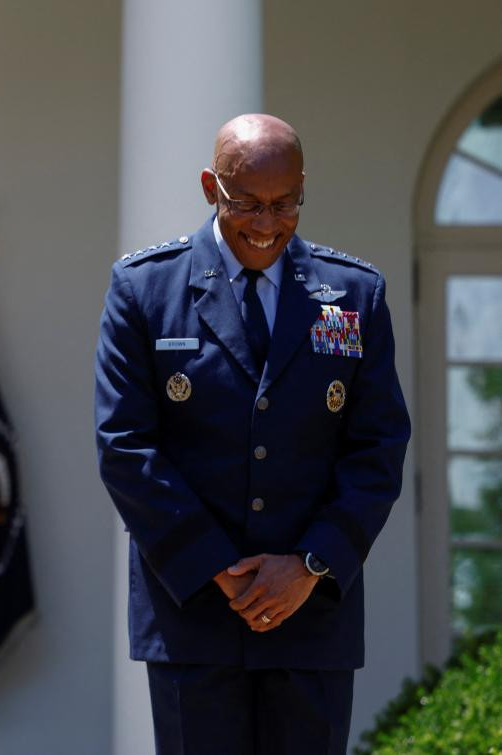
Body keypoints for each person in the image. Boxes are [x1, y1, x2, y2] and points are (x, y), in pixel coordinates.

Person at [94, 114, 410, 754]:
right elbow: (125, 445)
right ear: (211, 186)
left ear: (302, 189)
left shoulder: (353, 295)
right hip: (194, 618)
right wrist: (220, 568)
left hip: (312, 615)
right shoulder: (146, 289)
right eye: (247, 205)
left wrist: (309, 564)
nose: (267, 224)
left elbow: (378, 448)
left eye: (285, 203)